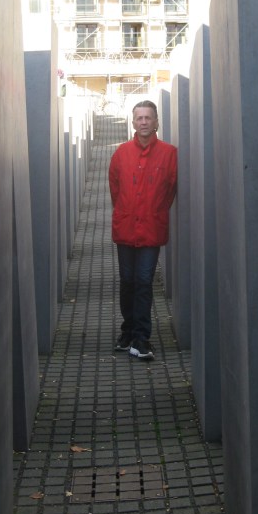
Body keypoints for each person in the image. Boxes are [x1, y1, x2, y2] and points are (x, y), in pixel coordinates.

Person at [108, 100, 177, 360]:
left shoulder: (169, 154)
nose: (144, 122)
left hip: (151, 228)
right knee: (128, 281)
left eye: (149, 117)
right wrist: (126, 210)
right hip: (126, 226)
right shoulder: (121, 153)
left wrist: (155, 211)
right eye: (140, 118)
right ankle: (127, 332)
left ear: (157, 122)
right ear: (133, 122)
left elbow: (170, 190)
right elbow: (115, 188)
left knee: (144, 281)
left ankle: (141, 337)